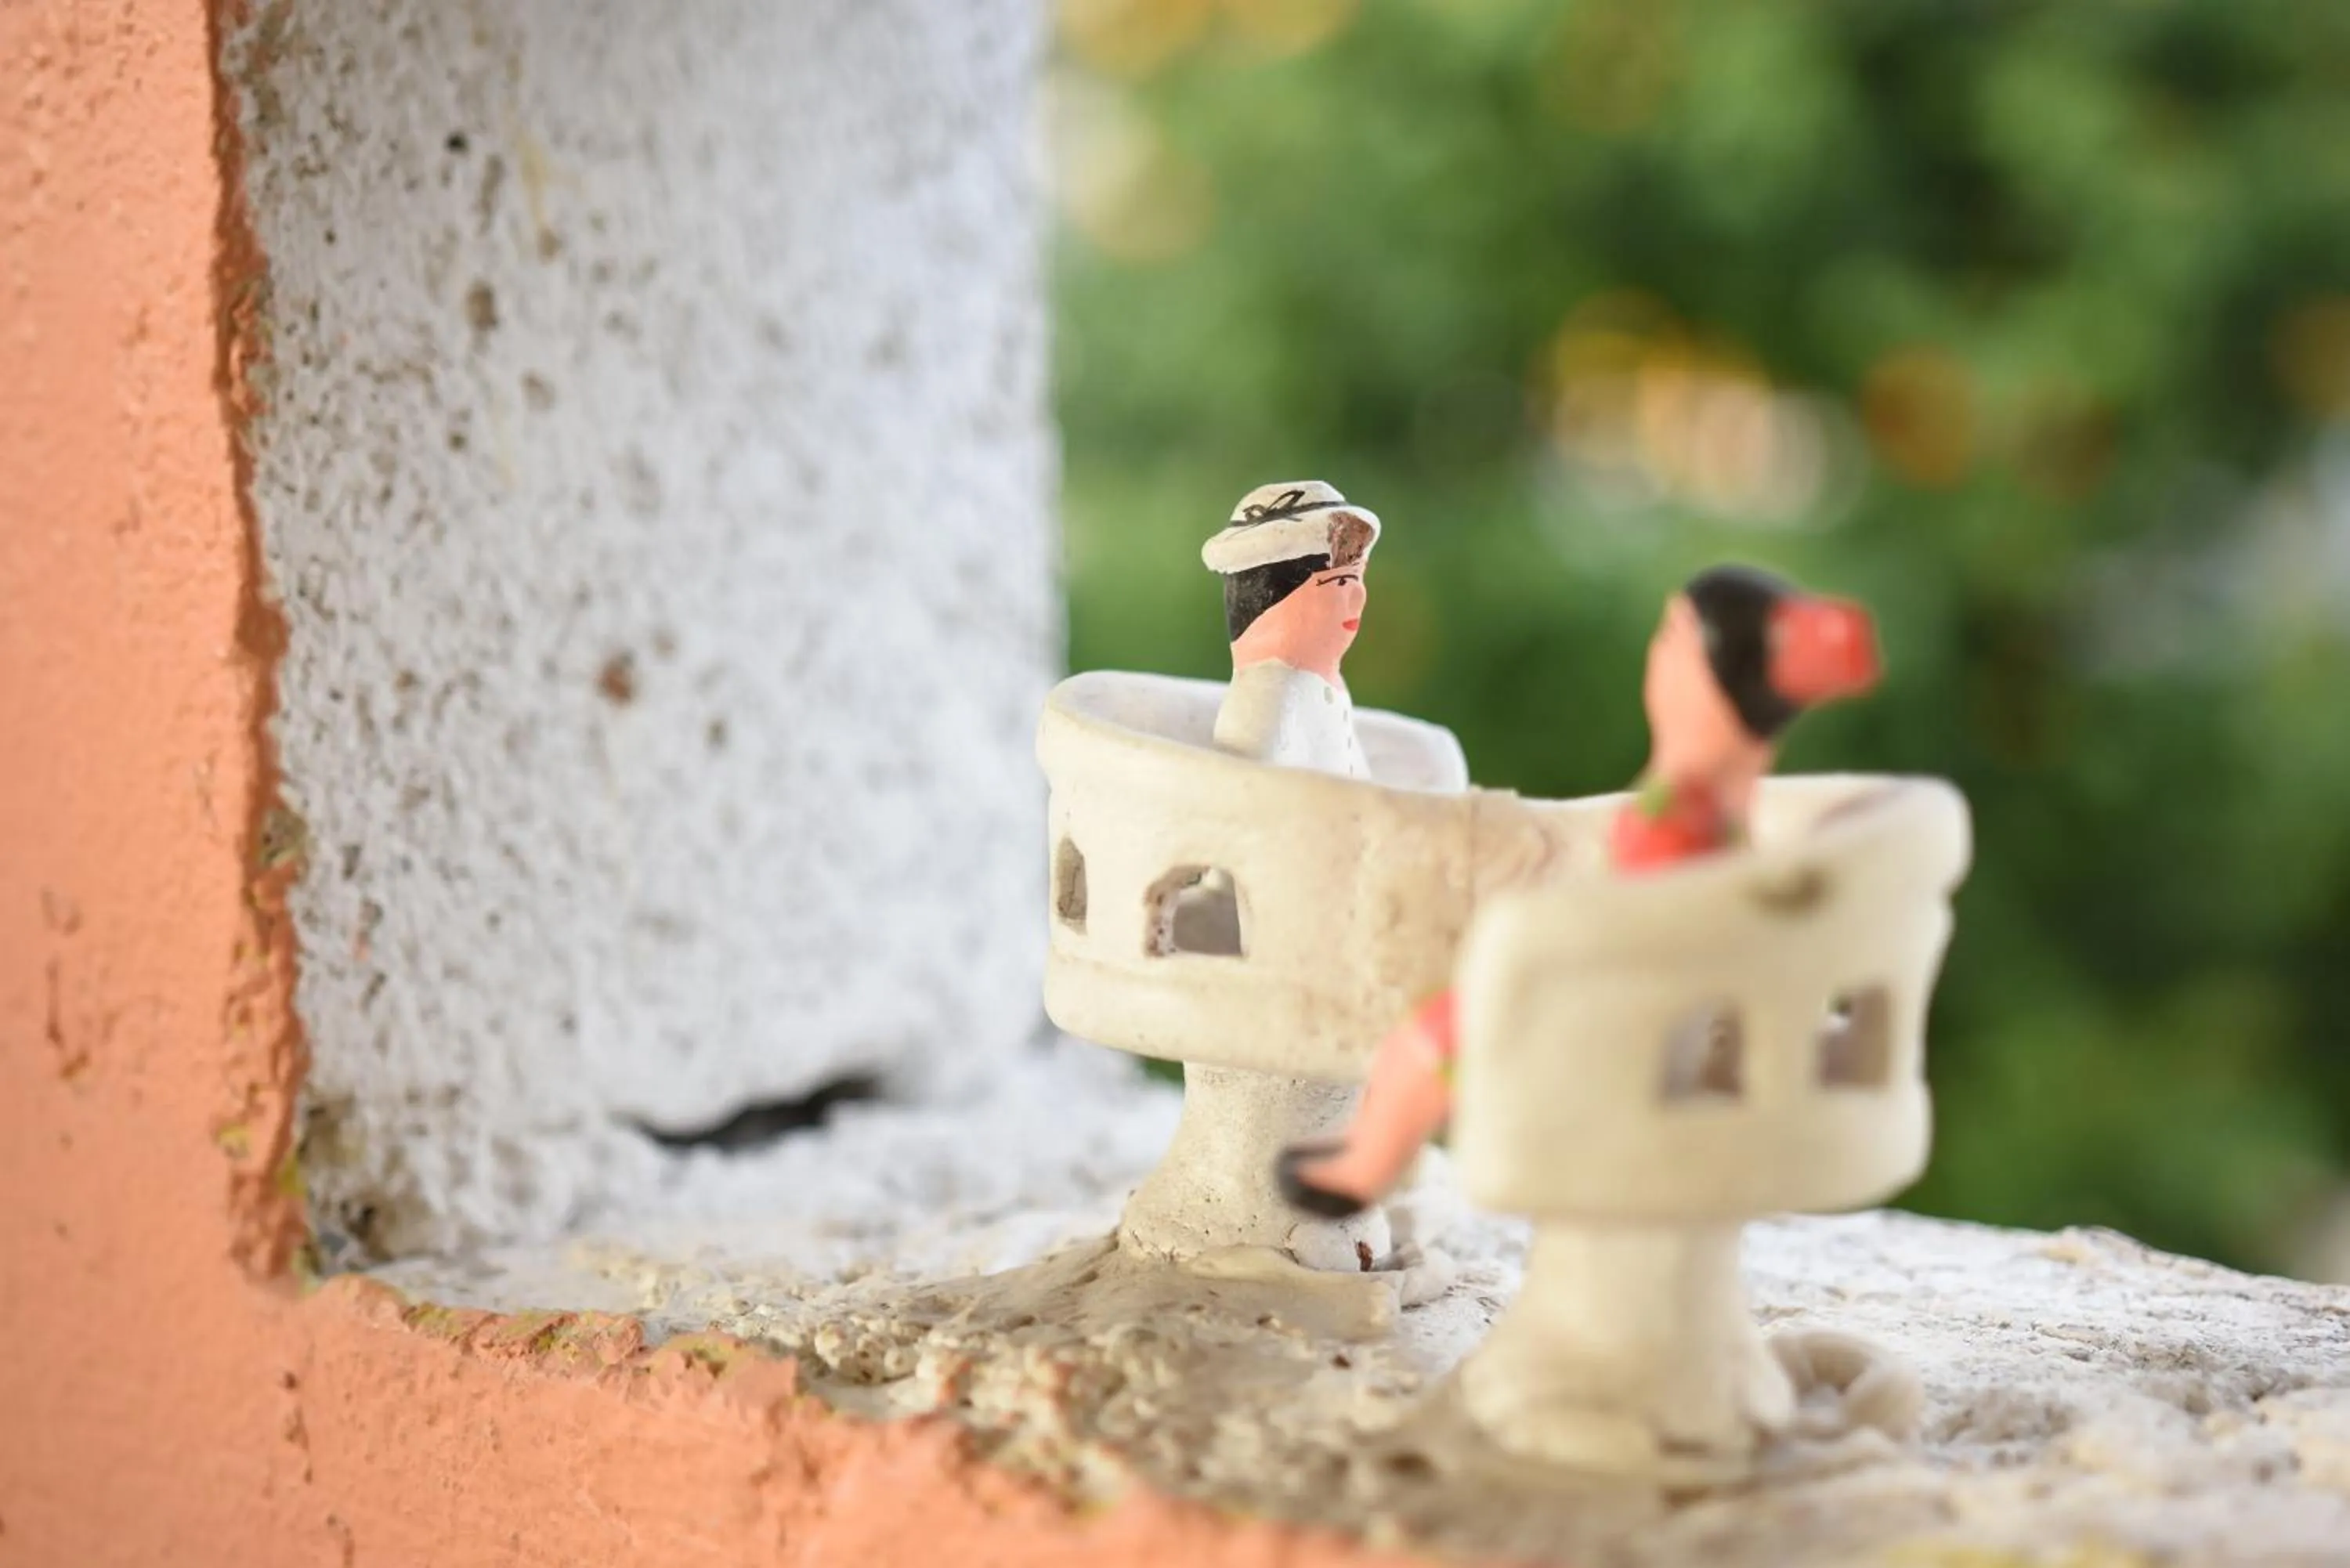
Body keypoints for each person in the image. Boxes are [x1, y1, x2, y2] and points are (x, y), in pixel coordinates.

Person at [1275, 563, 1883, 1219]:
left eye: (1671, 637)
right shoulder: (1719, 801)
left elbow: (1627, 928)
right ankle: (1375, 1144)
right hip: (1655, 1011)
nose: (1658, 657)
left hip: (1612, 1031)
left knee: (1423, 1038)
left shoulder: (1683, 818)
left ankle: (1367, 1167)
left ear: (1710, 676)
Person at [1205, 481, 1379, 775]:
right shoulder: (1263, 705)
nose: (1359, 596)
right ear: (1270, 599)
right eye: (1341, 581)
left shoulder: (1328, 685)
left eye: (1359, 577)